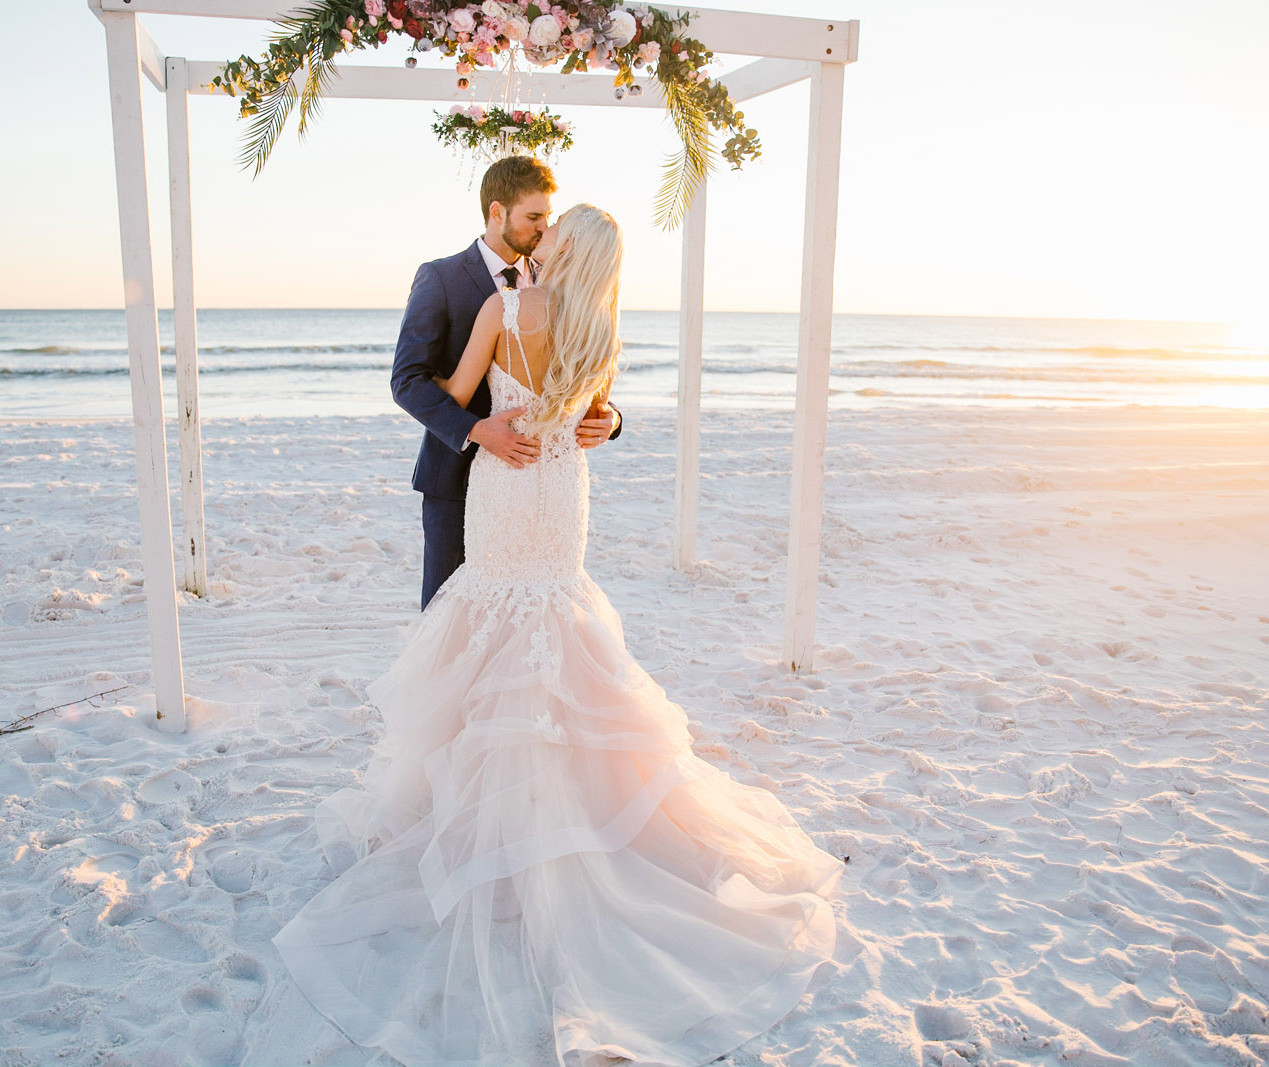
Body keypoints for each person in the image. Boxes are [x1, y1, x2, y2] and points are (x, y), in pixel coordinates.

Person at [267, 202, 847, 1067]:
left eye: (553, 228)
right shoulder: (600, 323)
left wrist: (489, 406)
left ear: (561, 243)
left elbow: (460, 393)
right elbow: (591, 404)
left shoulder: (506, 307)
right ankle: (573, 805)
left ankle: (494, 816)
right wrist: (578, 412)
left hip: (508, 485)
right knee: (557, 618)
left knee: (493, 619)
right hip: (561, 492)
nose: (540, 236)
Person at [390, 155, 622, 610]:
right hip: (456, 479)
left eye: (549, 219)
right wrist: (474, 430)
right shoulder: (440, 278)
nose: (543, 228)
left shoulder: (559, 279)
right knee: (449, 616)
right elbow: (407, 381)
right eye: (534, 217)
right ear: (497, 212)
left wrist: (610, 418)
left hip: (545, 485)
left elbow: (581, 381)